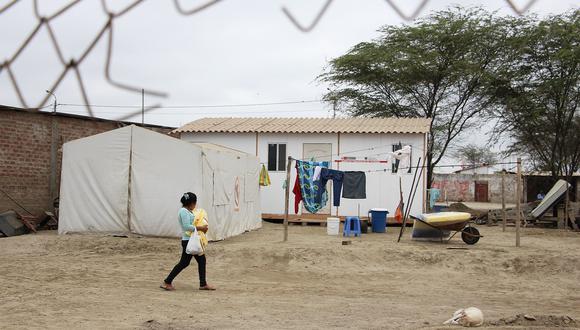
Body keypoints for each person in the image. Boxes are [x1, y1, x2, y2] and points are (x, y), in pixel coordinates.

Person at [160, 192, 215, 291]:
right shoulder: (184, 212)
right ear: (191, 203)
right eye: (195, 203)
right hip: (189, 241)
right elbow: (186, 227)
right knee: (184, 262)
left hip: (192, 240)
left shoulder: (186, 211)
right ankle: (167, 282)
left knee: (200, 261)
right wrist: (200, 228)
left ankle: (203, 283)